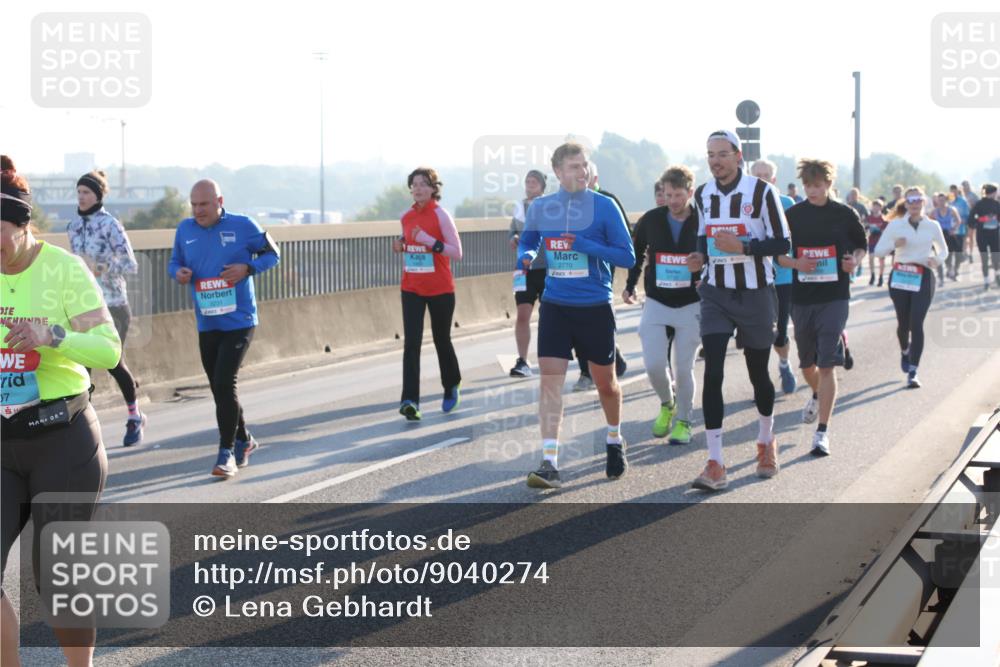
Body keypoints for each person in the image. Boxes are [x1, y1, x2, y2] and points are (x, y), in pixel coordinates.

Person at [2, 158, 121, 667]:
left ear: (25, 226)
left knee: (55, 575)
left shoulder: (64, 270)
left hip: (63, 438)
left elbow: (109, 350)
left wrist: (54, 336)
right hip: (4, 442)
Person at [518, 142, 636, 489]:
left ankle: (614, 439)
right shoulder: (542, 207)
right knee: (550, 384)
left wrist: (585, 245)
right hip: (555, 306)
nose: (581, 172)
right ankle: (550, 462)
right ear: (557, 172)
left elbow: (626, 257)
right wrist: (526, 254)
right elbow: (529, 239)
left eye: (584, 165)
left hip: (594, 307)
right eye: (573, 167)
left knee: (606, 386)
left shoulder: (604, 206)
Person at [689, 131, 791, 492]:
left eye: (721, 154)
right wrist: (699, 257)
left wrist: (744, 245)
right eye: (710, 155)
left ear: (738, 155)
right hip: (716, 291)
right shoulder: (702, 194)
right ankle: (715, 461)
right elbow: (702, 234)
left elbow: (783, 242)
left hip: (756, 293)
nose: (715, 161)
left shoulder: (762, 192)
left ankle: (766, 440)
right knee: (713, 369)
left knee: (757, 373)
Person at [168, 179, 280, 476]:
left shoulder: (244, 226)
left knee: (224, 382)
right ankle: (244, 439)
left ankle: (226, 452)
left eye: (204, 204)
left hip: (240, 320)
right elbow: (173, 262)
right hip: (208, 321)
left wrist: (249, 268)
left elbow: (273, 254)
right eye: (193, 205)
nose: (198, 210)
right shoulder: (185, 230)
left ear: (219, 201)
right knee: (219, 388)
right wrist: (178, 273)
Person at [777, 159, 867, 456]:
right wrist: (796, 263)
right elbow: (778, 255)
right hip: (802, 297)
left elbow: (860, 247)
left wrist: (854, 260)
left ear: (828, 184)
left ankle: (822, 433)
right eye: (807, 186)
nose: (812, 191)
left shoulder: (844, 214)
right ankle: (815, 393)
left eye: (817, 186)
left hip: (835, 295)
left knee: (827, 364)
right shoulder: (793, 215)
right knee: (806, 364)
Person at [67, 169, 145, 446]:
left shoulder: (111, 225)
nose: (82, 197)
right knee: (82, 366)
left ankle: (135, 416)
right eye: (78, 193)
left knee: (112, 362)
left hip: (113, 304)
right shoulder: (72, 227)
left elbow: (130, 264)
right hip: (84, 306)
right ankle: (79, 427)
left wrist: (102, 267)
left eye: (86, 192)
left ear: (98, 195)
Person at [624, 166, 702, 444]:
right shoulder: (652, 220)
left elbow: (715, 254)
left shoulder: (702, 221)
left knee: (683, 368)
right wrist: (630, 284)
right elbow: (637, 253)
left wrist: (703, 273)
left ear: (690, 193)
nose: (672, 201)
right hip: (657, 299)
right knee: (655, 364)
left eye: (678, 195)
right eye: (667, 195)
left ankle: (684, 421)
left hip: (691, 302)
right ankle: (667, 404)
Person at [391, 167, 463, 419]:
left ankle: (451, 384)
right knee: (411, 343)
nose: (418, 188)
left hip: (440, 288)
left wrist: (429, 241)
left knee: (441, 340)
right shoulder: (406, 216)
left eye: (423, 184)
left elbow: (456, 252)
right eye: (414, 184)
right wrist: (399, 245)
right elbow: (406, 239)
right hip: (411, 287)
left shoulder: (441, 215)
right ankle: (410, 400)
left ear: (433, 188)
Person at [873, 187, 948, 388]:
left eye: (918, 200)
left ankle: (913, 371)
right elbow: (878, 251)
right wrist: (894, 244)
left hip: (923, 275)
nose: (914, 203)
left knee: (917, 323)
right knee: (903, 324)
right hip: (900, 276)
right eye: (911, 200)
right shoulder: (896, 225)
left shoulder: (932, 226)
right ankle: (905, 350)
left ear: (924, 202)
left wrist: (936, 260)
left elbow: (944, 251)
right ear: (906, 203)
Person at [572, 161, 629, 391]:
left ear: (594, 179)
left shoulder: (607, 202)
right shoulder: (568, 204)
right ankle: (589, 369)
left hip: (600, 270)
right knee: (576, 322)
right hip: (572, 271)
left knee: (595, 323)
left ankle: (597, 368)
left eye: (585, 175)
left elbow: (626, 240)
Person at [750, 159, 797, 395]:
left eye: (766, 175)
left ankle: (784, 364)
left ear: (774, 180)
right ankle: (762, 385)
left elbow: (794, 239)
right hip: (752, 277)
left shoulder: (787, 203)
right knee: (758, 335)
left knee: (779, 335)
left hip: (782, 277)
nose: (761, 179)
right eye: (757, 175)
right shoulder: (741, 203)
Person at [509, 170, 547, 377]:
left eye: (534, 182)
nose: (530, 185)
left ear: (542, 186)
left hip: (546, 268)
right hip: (523, 269)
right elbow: (511, 231)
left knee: (548, 315)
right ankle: (523, 361)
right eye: (527, 181)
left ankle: (549, 356)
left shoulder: (549, 206)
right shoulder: (518, 207)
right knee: (523, 314)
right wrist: (514, 237)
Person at [968, 183, 1000, 290]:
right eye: (996, 192)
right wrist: (982, 219)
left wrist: (995, 219)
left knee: (996, 258)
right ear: (992, 193)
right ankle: (986, 281)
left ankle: (997, 276)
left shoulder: (997, 204)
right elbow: (971, 219)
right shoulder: (979, 204)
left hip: (994, 233)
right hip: (982, 234)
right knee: (984, 258)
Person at [928, 192, 963, 283]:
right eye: (939, 200)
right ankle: (941, 277)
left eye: (943, 200)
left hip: (950, 234)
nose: (941, 202)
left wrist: (954, 229)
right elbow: (928, 223)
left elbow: (959, 221)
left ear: (946, 200)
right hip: (939, 236)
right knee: (938, 256)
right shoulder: (934, 212)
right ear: (937, 201)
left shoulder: (951, 210)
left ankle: (953, 271)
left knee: (953, 255)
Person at [865, 199, 888, 286]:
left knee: (881, 260)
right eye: (874, 206)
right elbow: (865, 228)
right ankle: (872, 275)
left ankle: (881, 277)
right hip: (871, 241)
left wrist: (880, 231)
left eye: (878, 206)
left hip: (881, 242)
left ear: (881, 207)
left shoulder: (883, 218)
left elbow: (886, 231)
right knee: (871, 258)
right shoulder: (869, 218)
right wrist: (868, 230)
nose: (876, 208)